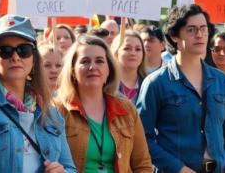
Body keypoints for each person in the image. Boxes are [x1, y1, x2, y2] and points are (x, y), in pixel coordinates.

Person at [0, 15, 75, 172]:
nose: (15, 57)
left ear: (34, 58)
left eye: (24, 50)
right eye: (5, 51)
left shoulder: (51, 113)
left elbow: (70, 167)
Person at [137, 4, 225, 173]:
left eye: (203, 29)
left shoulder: (221, 80)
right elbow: (141, 138)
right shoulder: (156, 83)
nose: (199, 35)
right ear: (174, 36)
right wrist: (180, 169)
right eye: (191, 30)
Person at [55, 35, 152, 173]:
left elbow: (142, 166)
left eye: (100, 61)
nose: (93, 67)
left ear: (109, 69)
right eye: (85, 61)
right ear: (72, 71)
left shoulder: (127, 109)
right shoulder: (56, 110)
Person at [114, 30, 148, 105]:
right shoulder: (107, 84)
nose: (133, 53)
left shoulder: (150, 84)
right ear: (116, 53)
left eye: (138, 49)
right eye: (127, 48)